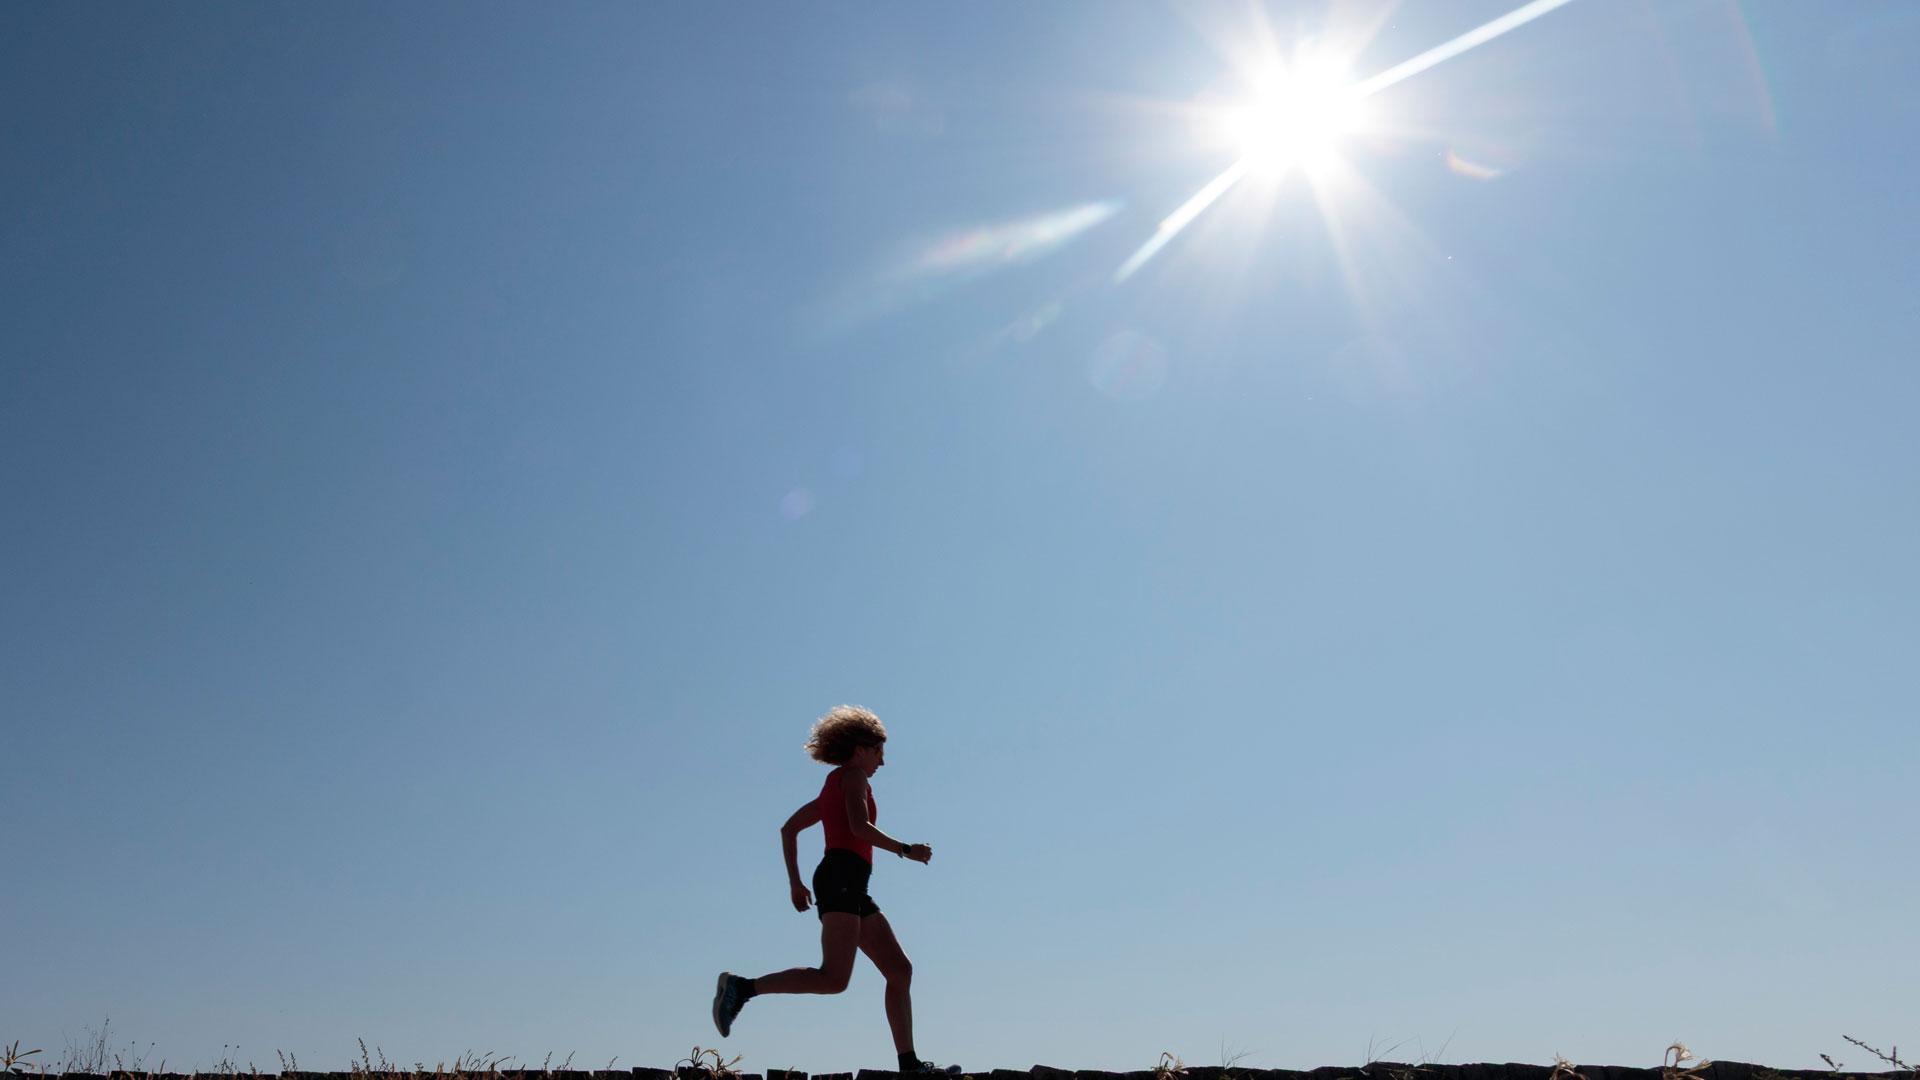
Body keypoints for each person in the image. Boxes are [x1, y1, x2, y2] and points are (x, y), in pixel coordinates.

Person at [710, 705, 960, 1075]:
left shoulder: (835, 783)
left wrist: (795, 881)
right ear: (861, 749)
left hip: (847, 882)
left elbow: (789, 828)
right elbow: (859, 828)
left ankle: (910, 1065)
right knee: (834, 979)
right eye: (880, 752)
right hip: (840, 877)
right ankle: (741, 988)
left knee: (899, 969)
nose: (883, 762)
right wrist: (907, 850)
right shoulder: (854, 778)